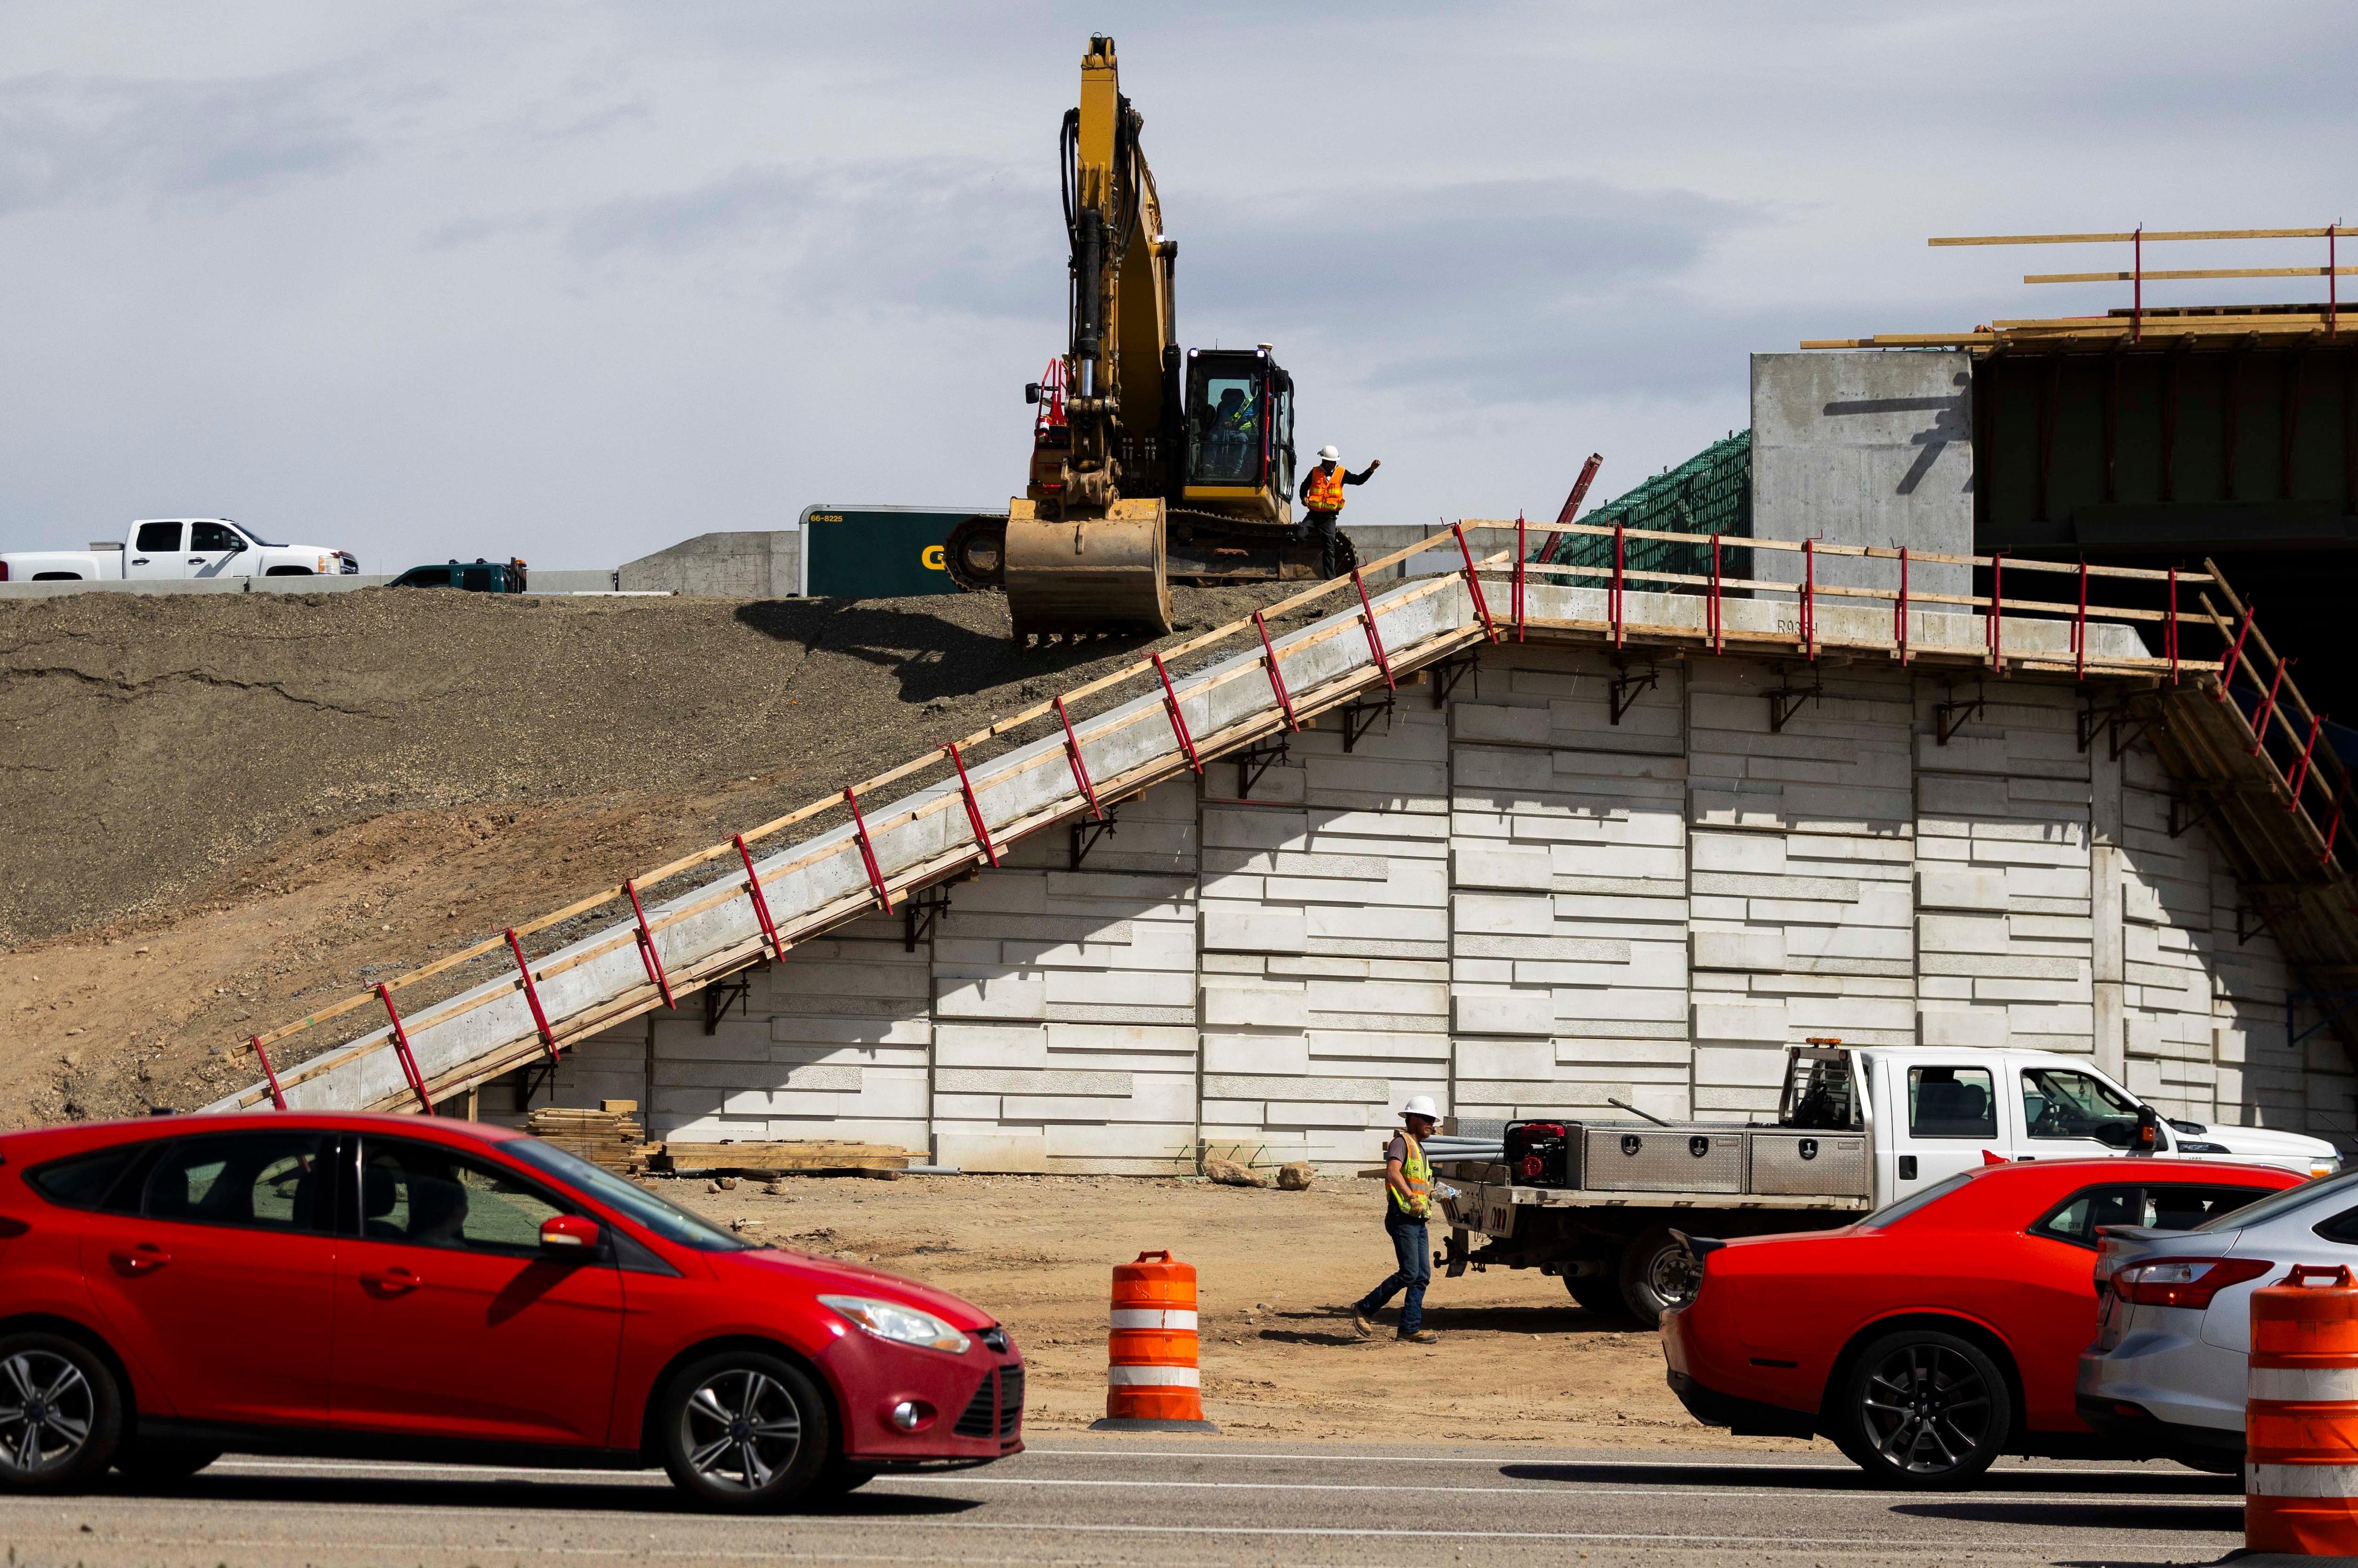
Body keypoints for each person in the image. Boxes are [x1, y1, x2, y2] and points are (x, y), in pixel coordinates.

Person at [1348, 1094, 1441, 1344]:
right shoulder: (1402, 1143)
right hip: (1403, 1217)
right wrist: (1410, 1197)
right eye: (1428, 1119)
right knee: (1410, 1273)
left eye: (1433, 1119)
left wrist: (1434, 1194)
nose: (1432, 1124)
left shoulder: (1420, 1149)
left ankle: (1410, 1328)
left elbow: (1418, 1183)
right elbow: (1392, 1172)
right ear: (1413, 1119)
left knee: (1422, 1276)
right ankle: (1364, 1309)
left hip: (1417, 1219)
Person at [1295, 445, 1380, 580]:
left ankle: (1330, 579)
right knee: (1299, 537)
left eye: (1334, 462)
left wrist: (1371, 470)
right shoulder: (1315, 472)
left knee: (1329, 549)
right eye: (1330, 462)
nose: (1332, 464)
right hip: (1313, 515)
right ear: (1324, 461)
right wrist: (1303, 497)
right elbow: (1304, 487)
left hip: (1329, 518)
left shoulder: (1342, 473)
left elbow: (1358, 481)